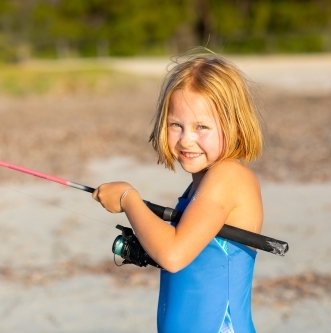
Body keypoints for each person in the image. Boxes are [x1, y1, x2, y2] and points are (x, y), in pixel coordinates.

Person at [92, 48, 264, 333]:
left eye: (202, 127)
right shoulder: (200, 182)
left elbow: (173, 254)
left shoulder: (228, 175)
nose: (187, 139)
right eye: (176, 125)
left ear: (235, 127)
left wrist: (128, 199)